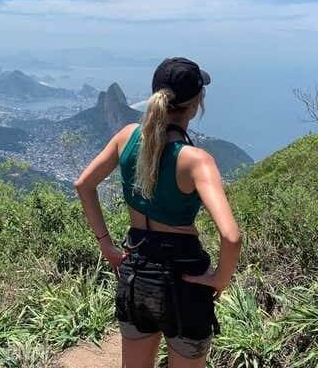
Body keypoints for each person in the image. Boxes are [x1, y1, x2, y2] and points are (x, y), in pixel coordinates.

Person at [75, 57, 241, 368]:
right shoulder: (196, 161)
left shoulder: (127, 137)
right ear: (196, 104)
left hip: (136, 273)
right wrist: (220, 278)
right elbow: (231, 237)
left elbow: (84, 185)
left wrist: (107, 246)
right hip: (185, 280)